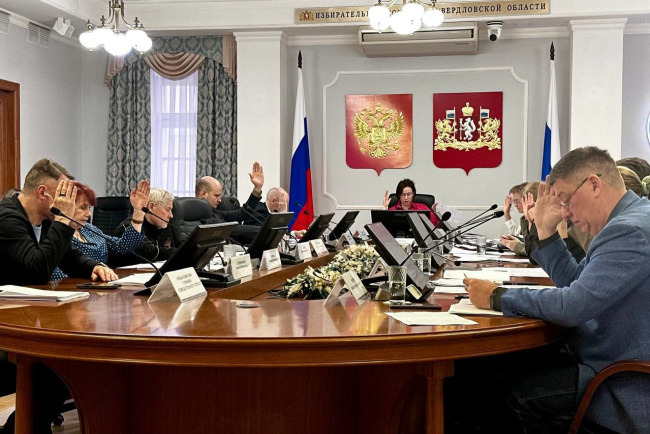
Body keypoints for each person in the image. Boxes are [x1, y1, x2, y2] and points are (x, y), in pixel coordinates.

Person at [464, 146, 650, 433]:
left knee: (512, 391)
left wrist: (496, 296)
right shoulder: (627, 220)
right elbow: (576, 280)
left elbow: (574, 306)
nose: (565, 212)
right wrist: (548, 233)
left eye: (566, 199)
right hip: (607, 357)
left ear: (594, 184)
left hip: (622, 379)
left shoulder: (628, 230)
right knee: (504, 367)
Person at [0, 158, 118, 434]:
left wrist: (94, 266)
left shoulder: (43, 221)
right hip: (5, 329)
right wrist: (64, 220)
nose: (69, 201)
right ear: (43, 192)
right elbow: (37, 269)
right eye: (63, 194)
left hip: (22, 317)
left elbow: (69, 256)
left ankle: (24, 426)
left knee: (68, 361)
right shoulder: (7, 219)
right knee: (58, 364)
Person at [51, 180, 150, 279]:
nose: (89, 214)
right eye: (83, 207)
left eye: (89, 208)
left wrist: (138, 212)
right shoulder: (55, 234)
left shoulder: (89, 229)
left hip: (104, 284)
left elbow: (123, 247)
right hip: (74, 287)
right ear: (65, 206)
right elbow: (55, 275)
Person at [195, 162, 265, 244]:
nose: (220, 200)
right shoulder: (195, 213)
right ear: (204, 194)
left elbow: (243, 214)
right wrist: (261, 230)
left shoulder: (214, 211)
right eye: (216, 196)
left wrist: (257, 188)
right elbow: (229, 229)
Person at [113, 187, 176, 263]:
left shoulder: (159, 227)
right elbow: (148, 252)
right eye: (168, 209)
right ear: (151, 206)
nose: (171, 215)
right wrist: (180, 253)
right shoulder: (129, 227)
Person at [499, 182, 528, 255]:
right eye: (514, 201)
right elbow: (518, 237)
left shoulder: (536, 219)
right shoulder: (524, 218)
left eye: (518, 201)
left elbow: (530, 247)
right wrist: (506, 213)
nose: (515, 205)